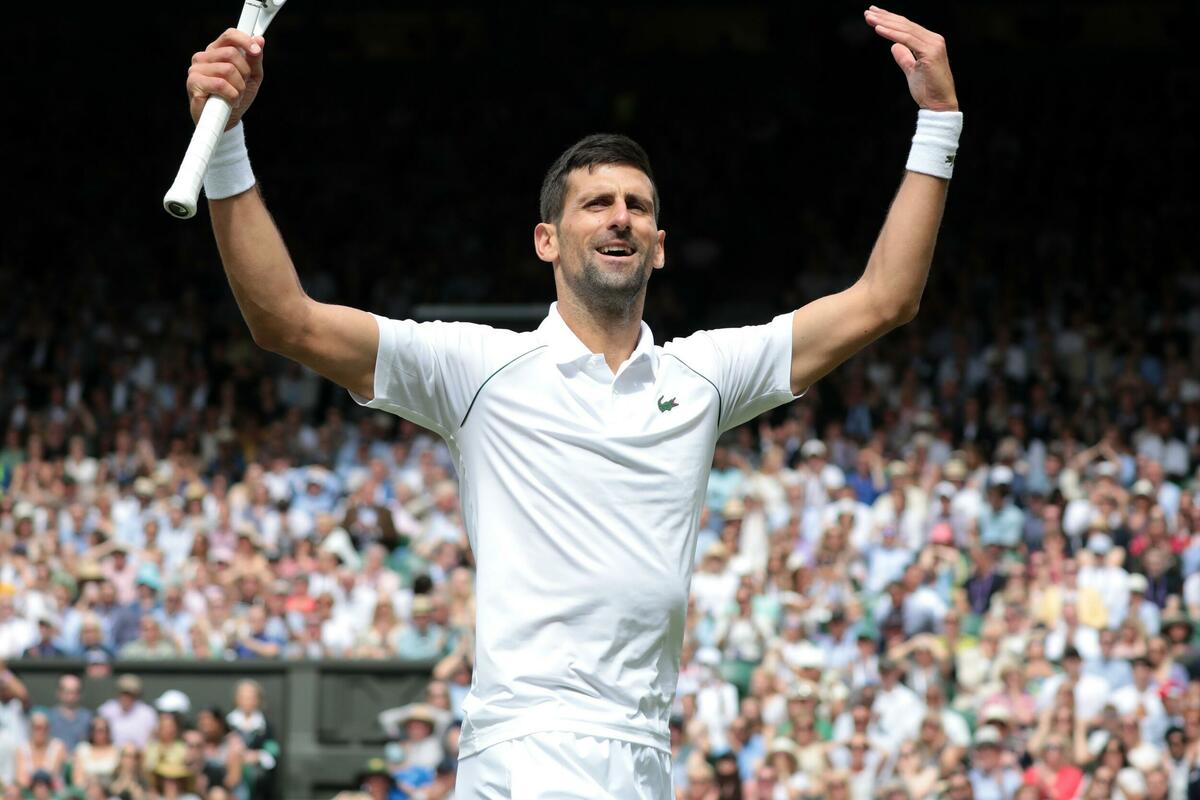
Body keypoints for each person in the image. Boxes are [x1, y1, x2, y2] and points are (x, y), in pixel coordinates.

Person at [181, 4, 960, 795]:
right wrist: (226, 140)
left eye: (639, 207)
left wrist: (938, 121)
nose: (621, 216)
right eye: (597, 203)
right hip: (528, 748)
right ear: (546, 240)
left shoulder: (705, 377)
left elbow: (885, 299)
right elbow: (286, 320)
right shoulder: (476, 369)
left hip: (646, 752)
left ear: (659, 247)